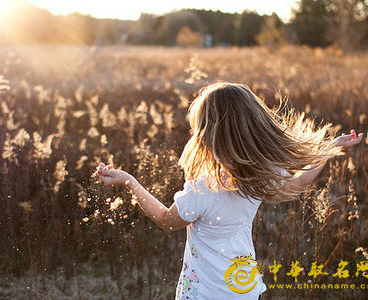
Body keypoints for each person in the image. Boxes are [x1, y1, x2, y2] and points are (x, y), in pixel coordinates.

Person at [96, 82, 364, 299]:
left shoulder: (204, 188)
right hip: (243, 289)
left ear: (207, 134)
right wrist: (330, 152)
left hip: (203, 294)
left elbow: (167, 221)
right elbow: (296, 182)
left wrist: (129, 181)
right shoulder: (259, 174)